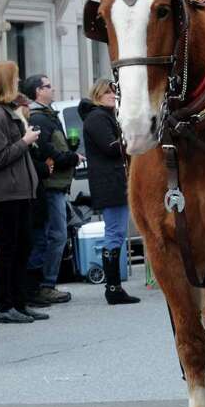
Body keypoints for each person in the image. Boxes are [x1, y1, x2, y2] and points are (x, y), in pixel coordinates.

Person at [0, 61, 45, 324]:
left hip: (19, 191)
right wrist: (24, 141)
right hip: (7, 193)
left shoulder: (8, 112)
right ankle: (6, 306)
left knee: (22, 246)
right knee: (9, 249)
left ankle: (19, 302)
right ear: (7, 82)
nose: (19, 82)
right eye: (15, 79)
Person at [20, 74, 80, 306]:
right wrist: (70, 157)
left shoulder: (48, 114)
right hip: (51, 185)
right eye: (47, 86)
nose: (52, 89)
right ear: (37, 91)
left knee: (53, 235)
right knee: (55, 235)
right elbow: (46, 152)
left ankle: (46, 284)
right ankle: (46, 285)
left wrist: (68, 154)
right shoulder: (39, 118)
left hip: (57, 184)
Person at [79, 80, 138, 304]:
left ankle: (114, 287)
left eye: (114, 92)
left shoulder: (105, 116)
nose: (113, 96)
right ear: (98, 95)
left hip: (113, 182)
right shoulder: (97, 118)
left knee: (117, 233)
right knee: (114, 234)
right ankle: (113, 288)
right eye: (108, 93)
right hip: (109, 183)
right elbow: (111, 148)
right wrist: (131, 137)